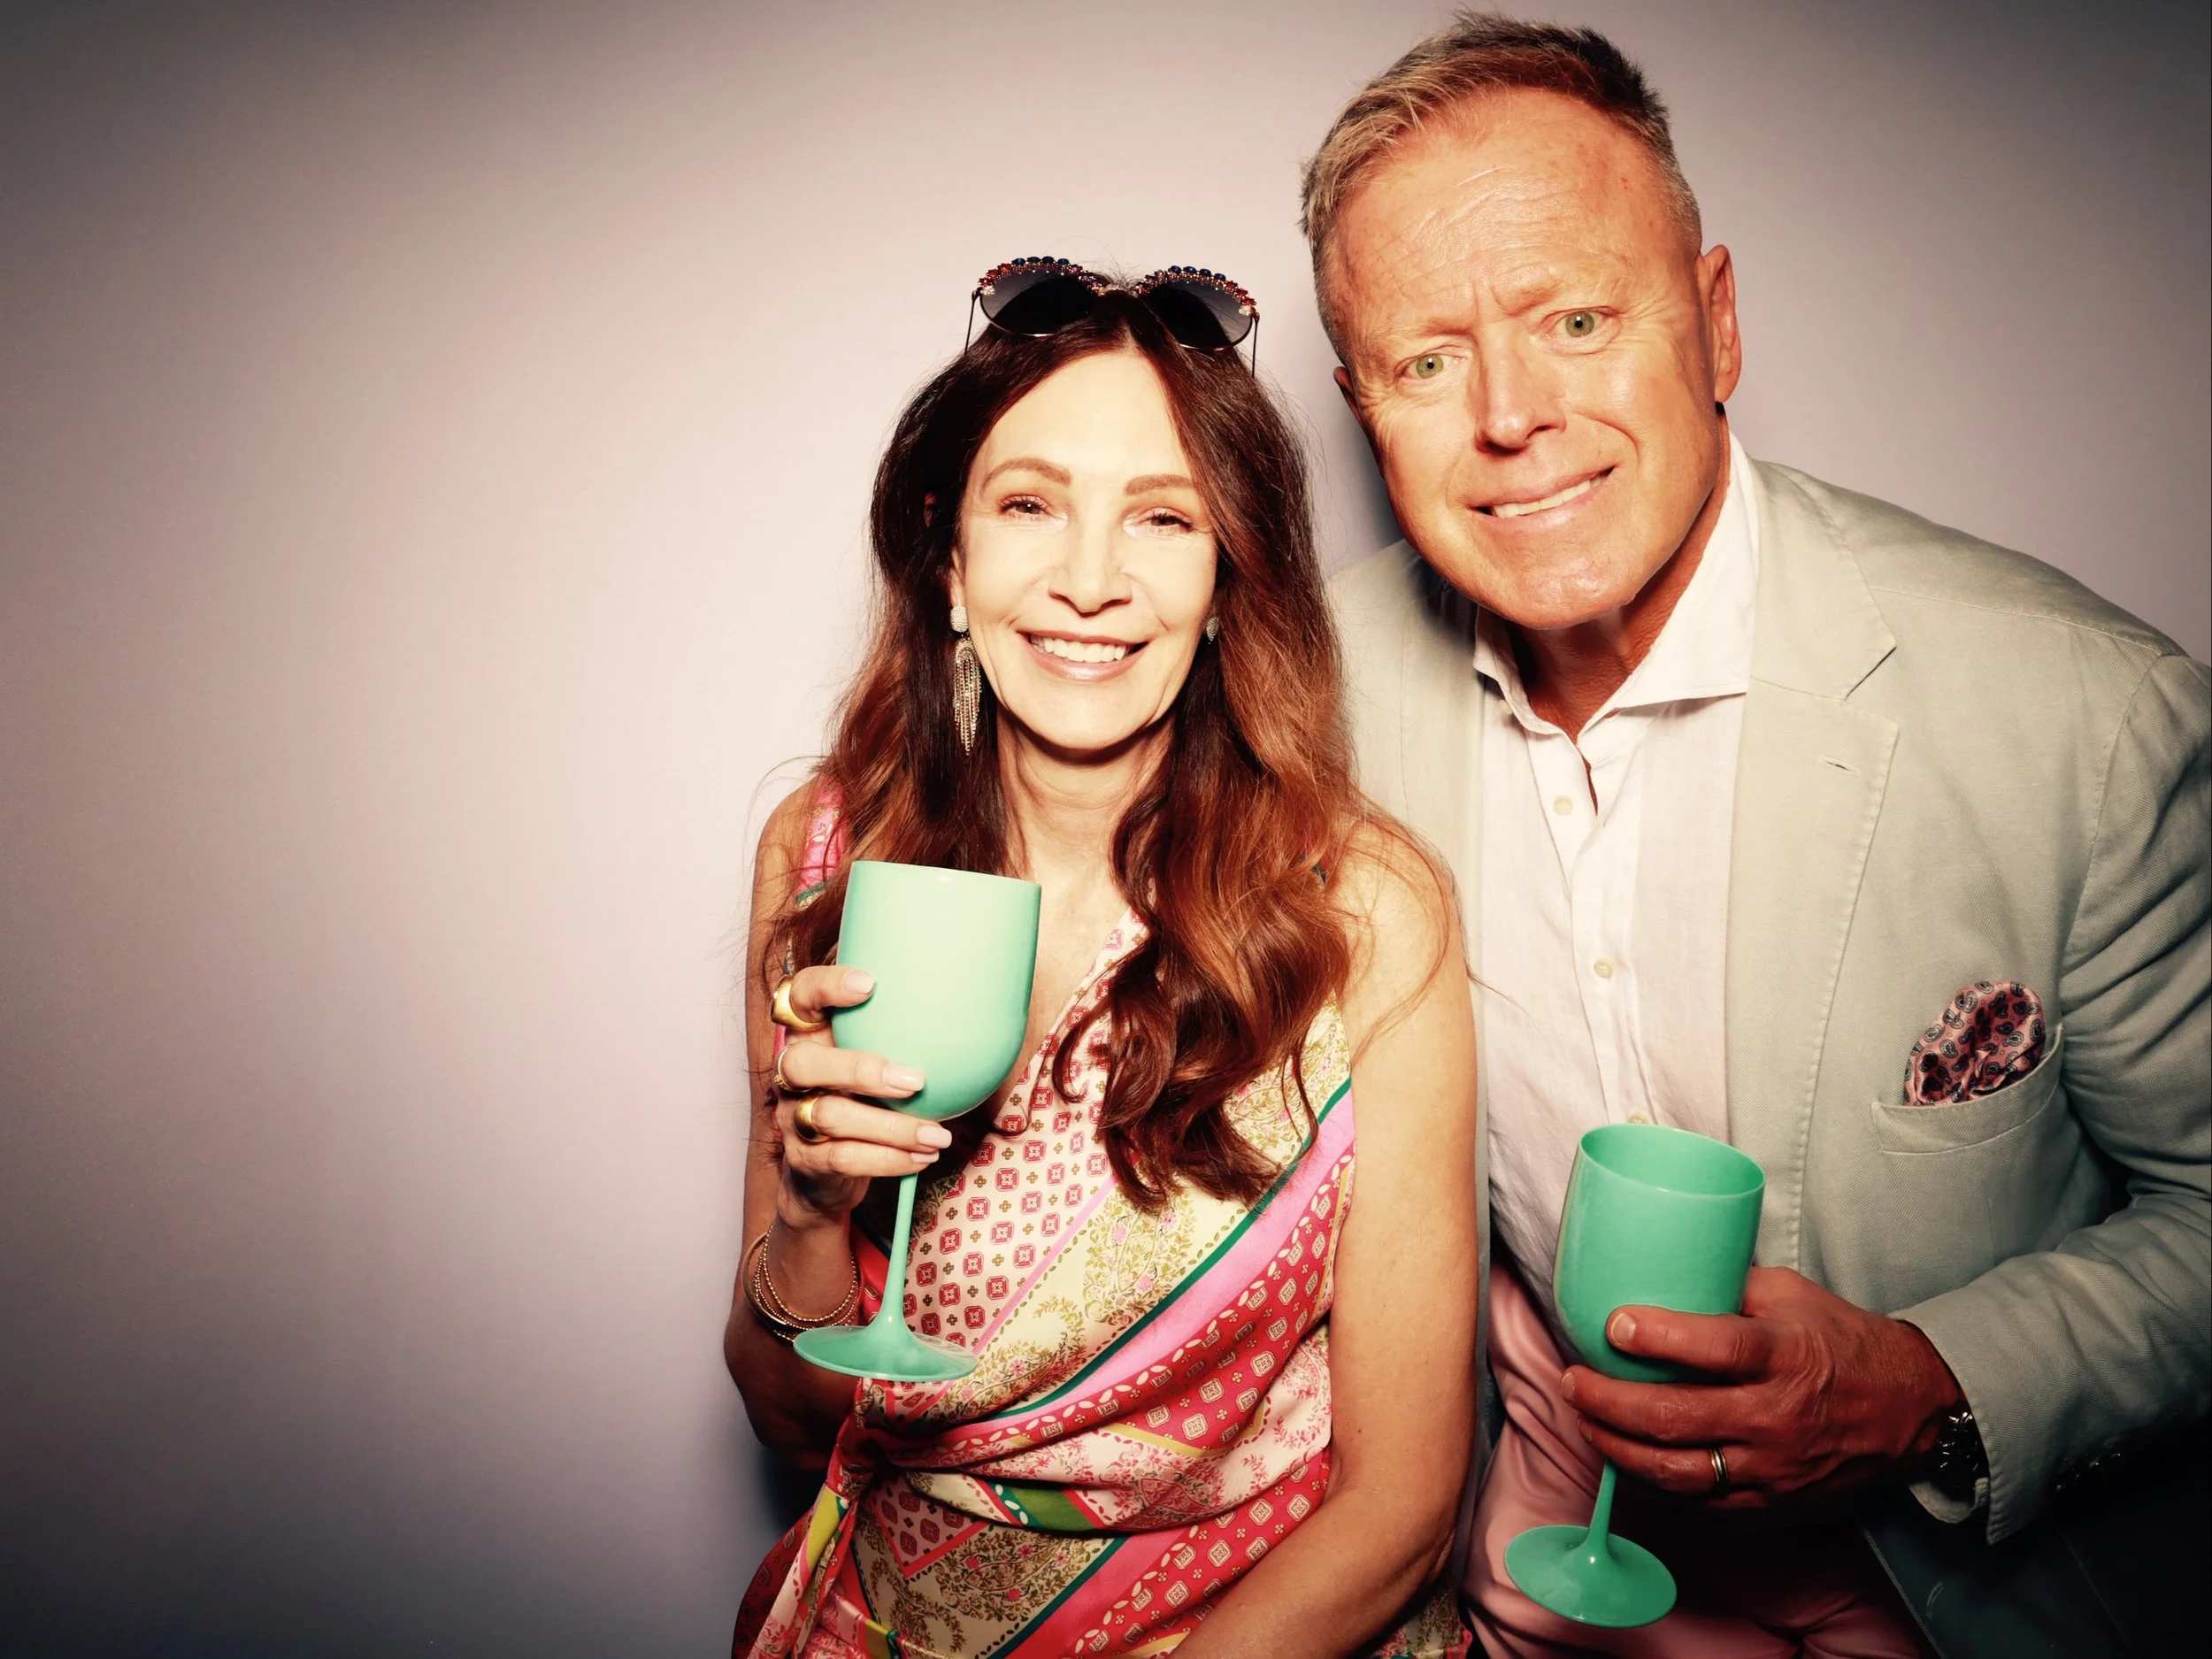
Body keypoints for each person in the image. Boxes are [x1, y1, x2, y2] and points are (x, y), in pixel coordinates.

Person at [1309, 15, 2209, 1658]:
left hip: (1959, 1597)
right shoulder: (1313, 699)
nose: (1511, 415)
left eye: (1578, 319)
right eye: (1428, 361)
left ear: (1716, 322)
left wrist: (1933, 1386)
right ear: (1364, 400)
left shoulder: (2087, 715)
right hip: (1536, 1579)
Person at [723, 262, 1479, 1657]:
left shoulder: (1365, 915)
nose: (1088, 581)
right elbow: (784, 1412)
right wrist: (815, 1209)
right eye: (1030, 505)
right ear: (949, 558)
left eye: (1162, 516)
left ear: (1227, 572)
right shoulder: (825, 854)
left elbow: (1407, 1502)